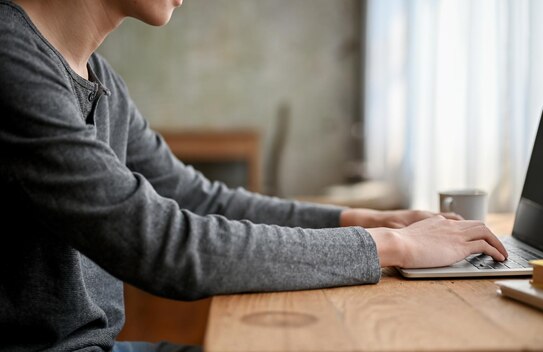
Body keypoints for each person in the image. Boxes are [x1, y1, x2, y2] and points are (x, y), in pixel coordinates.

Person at [0, 0, 508, 351]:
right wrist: (388, 248)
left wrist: (364, 219)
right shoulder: (10, 59)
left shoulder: (102, 79)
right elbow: (162, 246)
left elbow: (199, 199)